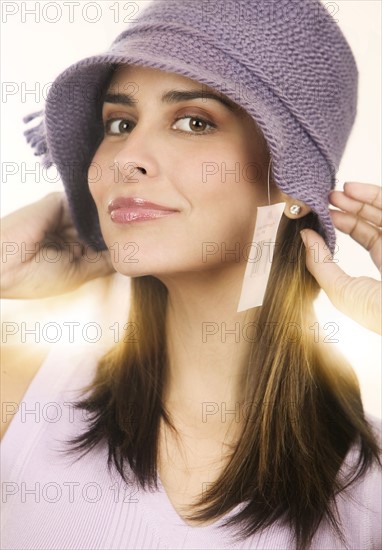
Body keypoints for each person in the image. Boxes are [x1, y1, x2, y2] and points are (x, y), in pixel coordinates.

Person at [1, 1, 381, 549]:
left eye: (194, 121)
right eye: (119, 123)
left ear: (289, 184)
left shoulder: (368, 486)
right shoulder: (19, 399)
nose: (127, 156)